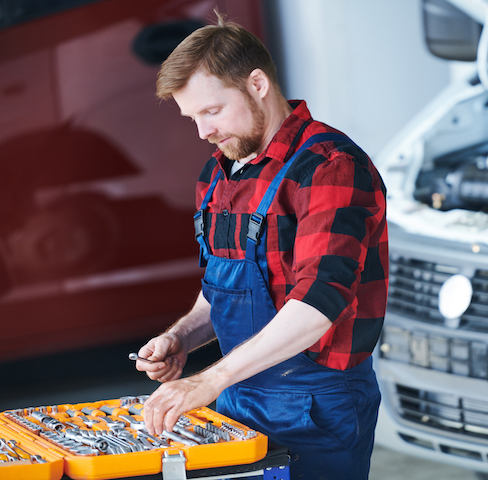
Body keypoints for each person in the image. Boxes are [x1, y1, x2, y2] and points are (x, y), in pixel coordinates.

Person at [134, 10, 388, 480]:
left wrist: (208, 380)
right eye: (192, 117)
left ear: (257, 84)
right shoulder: (218, 173)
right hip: (237, 399)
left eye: (211, 111)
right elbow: (221, 287)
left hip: (316, 407)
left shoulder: (329, 166)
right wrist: (181, 337)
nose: (202, 132)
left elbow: (319, 302)